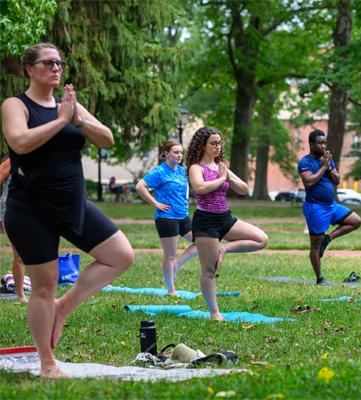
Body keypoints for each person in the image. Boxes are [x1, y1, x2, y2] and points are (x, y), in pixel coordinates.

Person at [1, 43, 134, 378]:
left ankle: (63, 308)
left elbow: (107, 139)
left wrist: (76, 118)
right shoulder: (16, 105)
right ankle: (47, 363)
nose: (56, 68)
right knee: (45, 285)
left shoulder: (69, 105)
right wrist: (61, 121)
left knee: (121, 255)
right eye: (48, 63)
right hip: (30, 207)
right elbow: (19, 142)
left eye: (59, 63)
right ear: (30, 69)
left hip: (72, 203)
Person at [187, 126, 268, 320]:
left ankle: (224, 249)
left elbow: (244, 189)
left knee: (261, 239)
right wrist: (222, 178)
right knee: (209, 270)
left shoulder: (221, 167)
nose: (217, 147)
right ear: (203, 145)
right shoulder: (196, 168)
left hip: (225, 218)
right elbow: (200, 187)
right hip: (206, 222)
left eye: (219, 143)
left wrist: (227, 176)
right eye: (213, 143)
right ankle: (214, 312)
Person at [298, 129, 361, 284]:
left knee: (356, 221)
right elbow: (310, 181)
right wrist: (323, 167)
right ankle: (319, 278)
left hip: (332, 206)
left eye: (324, 143)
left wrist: (328, 165)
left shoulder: (327, 159)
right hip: (316, 208)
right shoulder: (305, 162)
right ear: (311, 144)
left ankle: (329, 238)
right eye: (320, 143)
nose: (323, 146)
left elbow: (337, 180)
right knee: (315, 244)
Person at [136, 140, 198, 295]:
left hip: (183, 217)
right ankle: (171, 289)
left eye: (181, 152)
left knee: (202, 242)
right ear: (166, 154)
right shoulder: (159, 172)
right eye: (176, 152)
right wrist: (155, 203)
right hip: (166, 217)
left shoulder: (182, 171)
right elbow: (140, 186)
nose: (179, 155)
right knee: (169, 255)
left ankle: (177, 264)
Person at [0, 157, 27, 302]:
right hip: (12, 210)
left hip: (33, 210)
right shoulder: (12, 160)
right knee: (20, 255)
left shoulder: (42, 158)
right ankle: (21, 295)